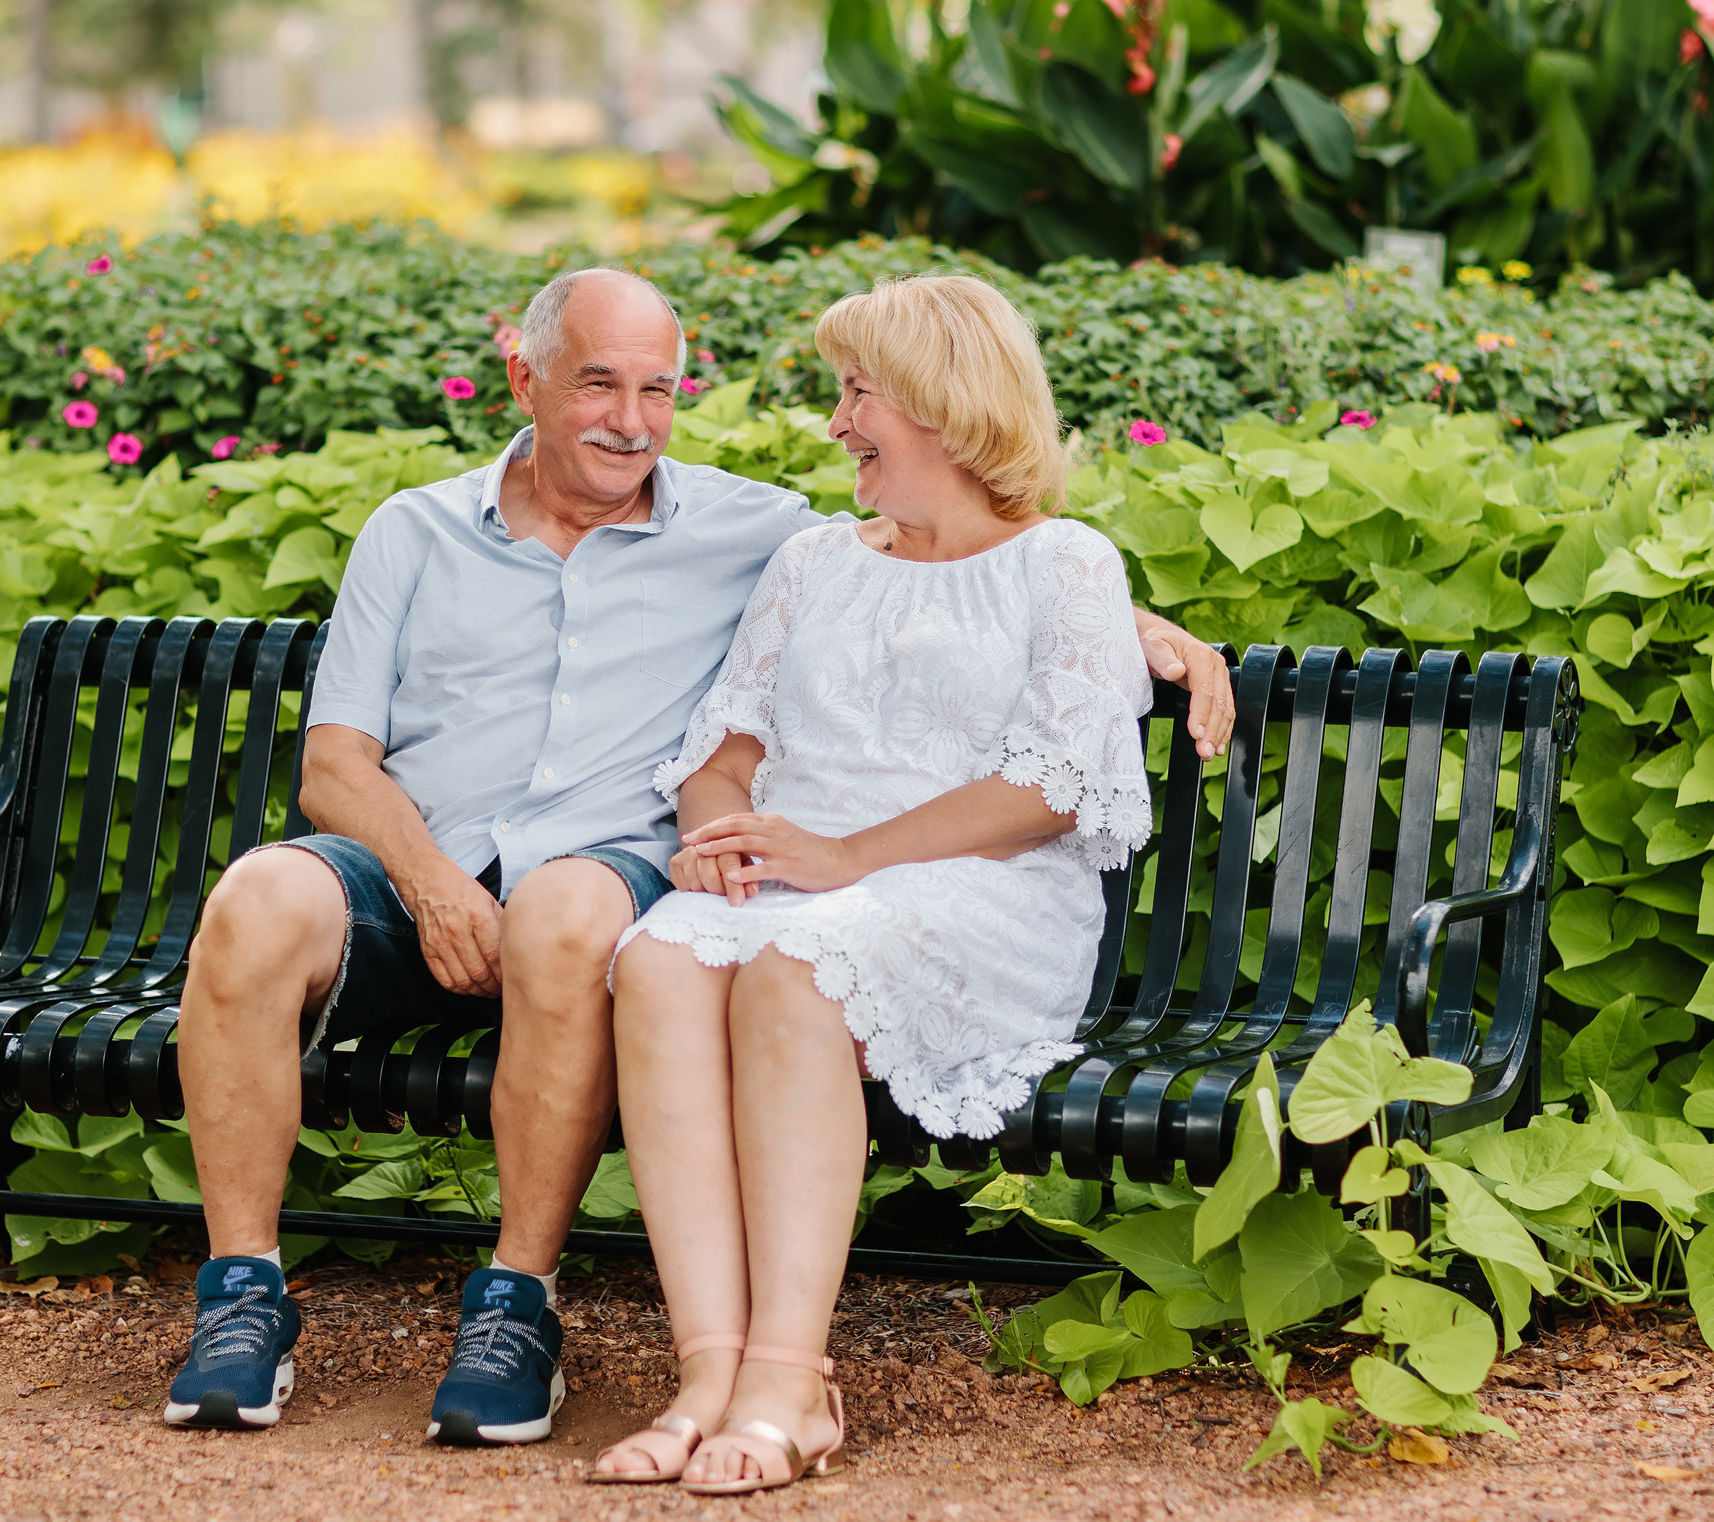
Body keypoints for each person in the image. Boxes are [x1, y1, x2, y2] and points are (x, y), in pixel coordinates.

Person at [160, 266, 1234, 1438]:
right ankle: (241, 1297)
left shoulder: (750, 525)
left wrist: (1139, 632)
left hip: (597, 875)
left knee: (571, 911)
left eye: (658, 388)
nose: (631, 420)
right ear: (522, 378)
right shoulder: (412, 532)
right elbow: (333, 770)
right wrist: (428, 887)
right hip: (423, 863)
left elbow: (964, 561)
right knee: (259, 895)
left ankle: (517, 1303)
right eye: (599, 384)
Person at [591, 274, 1155, 1494]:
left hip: (979, 891)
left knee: (798, 968)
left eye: (859, 395)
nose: (838, 422)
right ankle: (707, 1373)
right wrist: (721, 837)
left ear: (947, 410)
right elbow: (724, 746)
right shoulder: (812, 563)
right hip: (801, 877)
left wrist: (845, 859)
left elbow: (1056, 786)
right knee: (660, 955)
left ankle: (791, 1382)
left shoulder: (1064, 563)